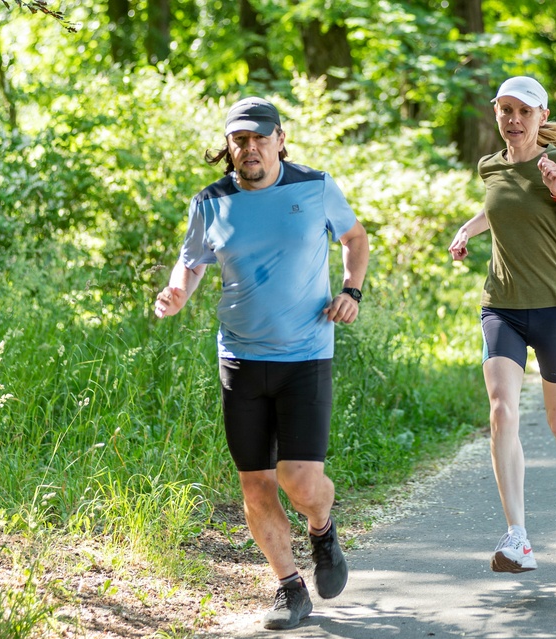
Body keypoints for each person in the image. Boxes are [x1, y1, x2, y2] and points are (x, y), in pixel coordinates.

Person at [154, 97, 369, 630]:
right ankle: (289, 588)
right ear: (230, 147)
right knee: (255, 484)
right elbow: (192, 263)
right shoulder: (211, 201)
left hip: (306, 355)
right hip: (240, 360)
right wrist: (175, 293)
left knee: (299, 478)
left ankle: (322, 528)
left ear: (279, 139)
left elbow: (355, 239)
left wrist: (352, 291)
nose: (250, 148)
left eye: (259, 137)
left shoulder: (313, 186)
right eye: (240, 140)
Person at [448, 76, 556, 573]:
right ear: (496, 112)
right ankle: (518, 537)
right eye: (505, 110)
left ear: (541, 116)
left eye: (524, 112)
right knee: (501, 413)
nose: (513, 120)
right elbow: (502, 209)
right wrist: (468, 229)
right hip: (502, 307)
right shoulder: (489, 166)